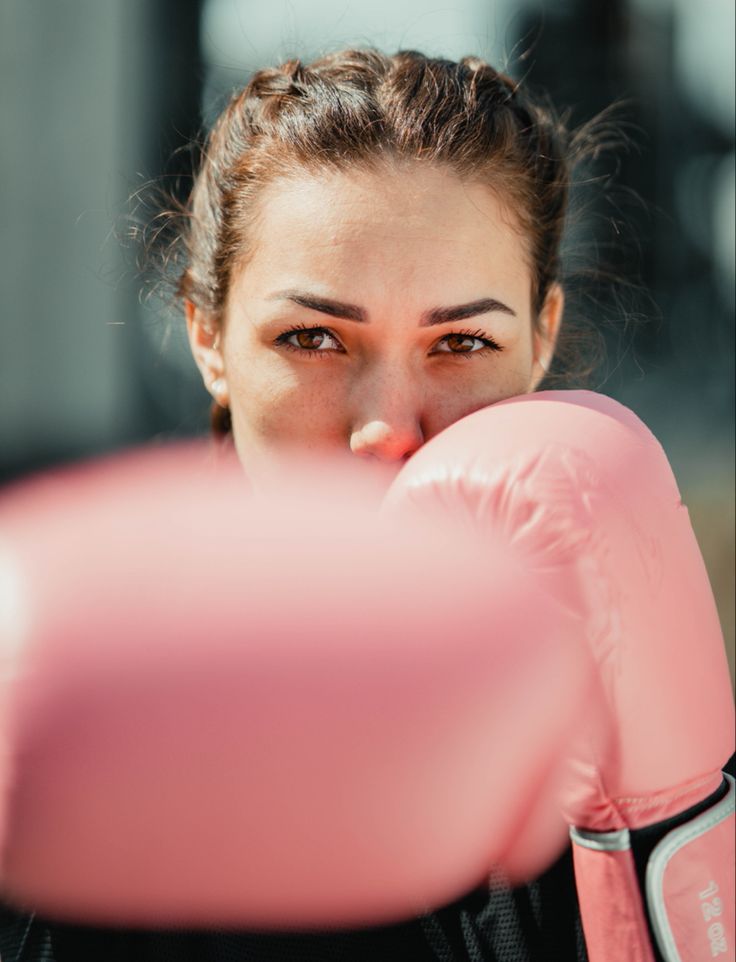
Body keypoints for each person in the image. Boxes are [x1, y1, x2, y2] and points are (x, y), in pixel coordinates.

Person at [1, 47, 730, 962]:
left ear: (540, 339)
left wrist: (667, 834)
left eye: (460, 341)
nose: (385, 428)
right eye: (313, 337)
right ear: (206, 334)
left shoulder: (620, 730)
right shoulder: (72, 712)